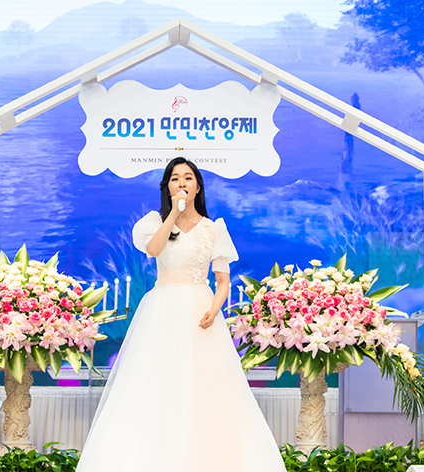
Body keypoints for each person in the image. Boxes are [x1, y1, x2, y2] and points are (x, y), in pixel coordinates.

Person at [76, 157, 286, 472]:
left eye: (188, 178)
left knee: (207, 388)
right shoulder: (154, 222)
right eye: (175, 178)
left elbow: (223, 281)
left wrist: (214, 310)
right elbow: (153, 251)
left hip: (200, 312)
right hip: (162, 309)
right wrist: (173, 213)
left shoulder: (213, 228)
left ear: (198, 186)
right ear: (168, 187)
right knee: (156, 384)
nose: (182, 183)